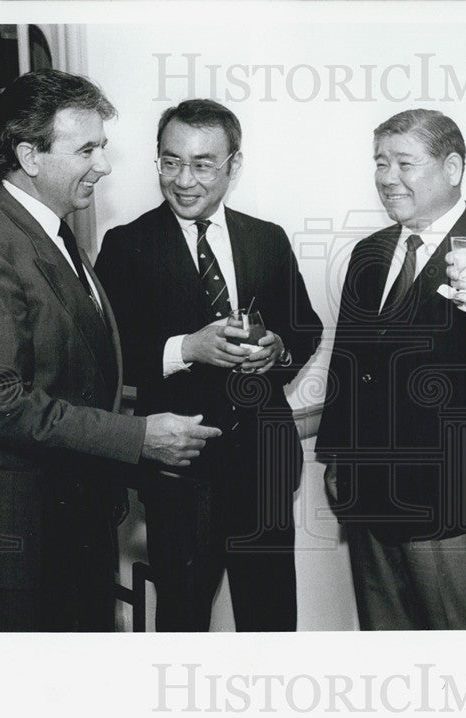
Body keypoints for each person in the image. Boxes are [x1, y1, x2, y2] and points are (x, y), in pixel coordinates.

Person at [0, 69, 219, 632]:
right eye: (86, 149)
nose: (104, 165)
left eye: (103, 147)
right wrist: (137, 437)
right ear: (29, 156)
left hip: (71, 525)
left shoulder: (52, 234)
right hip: (25, 541)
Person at [316, 109, 466, 630]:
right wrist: (336, 455)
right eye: (380, 163)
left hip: (454, 503)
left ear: (451, 168)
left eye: (404, 163)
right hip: (370, 497)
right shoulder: (368, 253)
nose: (387, 178)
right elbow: (349, 361)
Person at [96, 99, 322, 632]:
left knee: (270, 621)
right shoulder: (125, 245)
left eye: (202, 164)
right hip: (180, 474)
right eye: (169, 162)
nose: (183, 180)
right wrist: (185, 349)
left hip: (264, 468)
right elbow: (107, 356)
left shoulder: (267, 238)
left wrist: (279, 352)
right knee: (184, 621)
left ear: (233, 165)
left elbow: (304, 327)